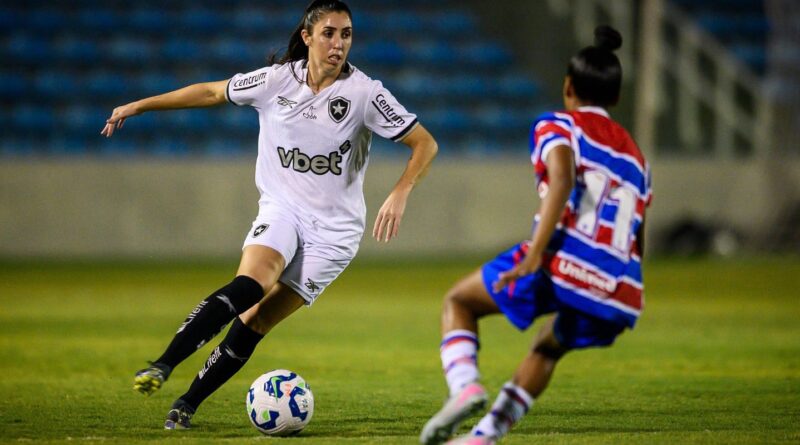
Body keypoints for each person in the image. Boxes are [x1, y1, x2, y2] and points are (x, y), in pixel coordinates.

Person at [101, 0, 438, 430]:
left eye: (347, 34)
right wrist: (140, 105)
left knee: (256, 320)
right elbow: (211, 91)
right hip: (282, 208)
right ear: (308, 37)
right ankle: (163, 363)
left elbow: (425, 143)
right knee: (250, 285)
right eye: (330, 33)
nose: (339, 44)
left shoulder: (365, 93)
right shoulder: (277, 81)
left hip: (334, 233)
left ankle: (187, 403)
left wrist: (401, 190)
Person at [419, 26, 651, 445]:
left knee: (459, 301)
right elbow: (639, 232)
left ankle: (465, 386)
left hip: (561, 259)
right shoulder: (637, 157)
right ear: (616, 98)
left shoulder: (558, 125)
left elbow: (561, 179)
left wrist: (535, 253)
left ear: (568, 86)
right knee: (547, 347)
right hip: (619, 286)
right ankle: (484, 436)